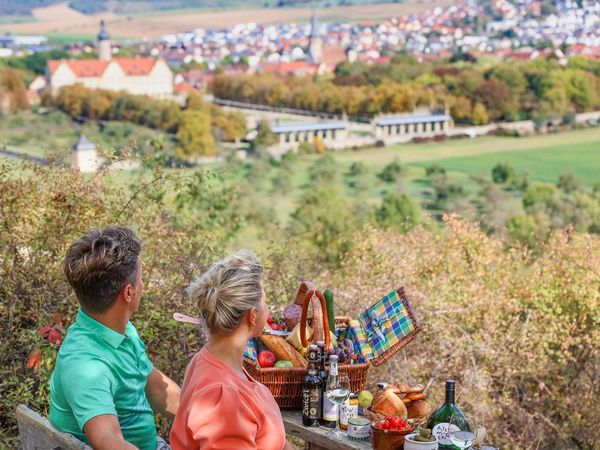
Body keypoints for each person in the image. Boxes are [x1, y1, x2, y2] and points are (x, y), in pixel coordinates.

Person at [49, 226, 181, 450]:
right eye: (140, 279)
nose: (143, 285)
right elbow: (108, 440)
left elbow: (157, 388)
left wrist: (212, 422)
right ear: (128, 292)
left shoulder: (120, 330)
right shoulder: (85, 366)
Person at [170, 250, 293, 450]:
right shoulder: (224, 396)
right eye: (265, 302)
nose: (268, 308)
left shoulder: (208, 360)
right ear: (252, 316)